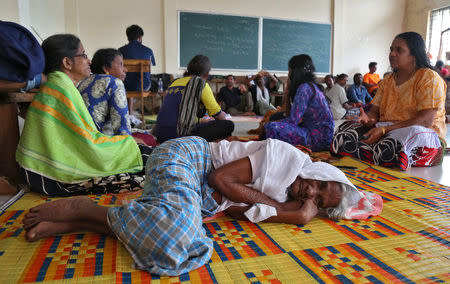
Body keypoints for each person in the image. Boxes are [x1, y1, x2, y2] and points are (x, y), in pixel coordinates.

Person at [22, 136, 382, 275]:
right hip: (187, 157)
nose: (311, 192)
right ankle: (81, 209)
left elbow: (237, 210)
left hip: (195, 192)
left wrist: (292, 214)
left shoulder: (292, 198)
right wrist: (286, 211)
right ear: (318, 170)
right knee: (177, 231)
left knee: (184, 245)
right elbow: (221, 181)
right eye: (318, 184)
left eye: (318, 199)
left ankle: (85, 222)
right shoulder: (288, 159)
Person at [16, 34, 154, 196]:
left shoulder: (62, 84)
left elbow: (83, 137)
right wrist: (127, 144)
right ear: (67, 62)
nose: (89, 61)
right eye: (84, 55)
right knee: (148, 171)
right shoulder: (62, 88)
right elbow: (88, 143)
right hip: (53, 177)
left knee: (147, 157)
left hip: (39, 170)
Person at [331, 32, 447, 170]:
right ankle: (378, 152)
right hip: (386, 130)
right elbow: (374, 112)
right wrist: (367, 119)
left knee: (404, 137)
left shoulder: (428, 78)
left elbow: (425, 121)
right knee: (344, 132)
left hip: (423, 136)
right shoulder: (387, 81)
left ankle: (375, 151)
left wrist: (384, 130)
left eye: (399, 50)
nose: (392, 54)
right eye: (391, 49)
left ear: (414, 54)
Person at [153, 55, 234, 142]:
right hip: (179, 134)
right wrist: (225, 117)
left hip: (160, 133)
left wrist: (200, 120)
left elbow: (178, 113)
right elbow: (218, 115)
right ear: (207, 74)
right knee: (228, 125)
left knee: (205, 121)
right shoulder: (201, 84)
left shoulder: (175, 82)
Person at [263, 54, 334, 151]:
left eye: (289, 70)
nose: (288, 73)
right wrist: (287, 92)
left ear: (295, 71)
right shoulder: (311, 86)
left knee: (270, 127)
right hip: (323, 137)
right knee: (275, 119)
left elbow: (293, 120)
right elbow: (289, 114)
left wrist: (272, 123)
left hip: (316, 139)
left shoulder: (304, 88)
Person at [77, 48, 131, 135]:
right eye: (120, 65)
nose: (125, 69)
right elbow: (123, 128)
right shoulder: (114, 82)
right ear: (106, 69)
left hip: (79, 137)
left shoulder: (83, 81)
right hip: (98, 141)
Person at [119, 25, 156, 118]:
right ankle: (140, 114)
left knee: (128, 80)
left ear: (128, 38)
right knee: (143, 80)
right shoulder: (148, 51)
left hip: (125, 86)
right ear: (140, 38)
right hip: (144, 86)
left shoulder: (120, 51)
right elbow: (151, 67)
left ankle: (130, 114)